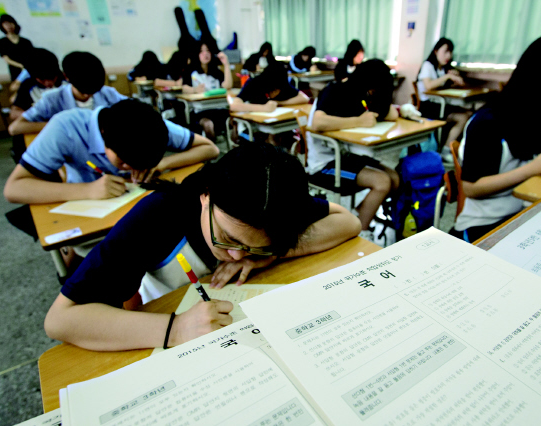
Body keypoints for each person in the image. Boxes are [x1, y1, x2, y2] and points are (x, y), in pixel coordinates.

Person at [43, 143, 361, 351]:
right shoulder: (161, 213)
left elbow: (348, 222)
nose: (237, 255)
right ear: (206, 193)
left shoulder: (275, 204)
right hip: (166, 328)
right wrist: (177, 329)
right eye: (229, 238)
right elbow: (61, 320)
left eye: (256, 247)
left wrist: (272, 256)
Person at [453, 32, 541, 243]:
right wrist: (535, 168)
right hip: (486, 225)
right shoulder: (489, 121)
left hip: (529, 212)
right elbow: (472, 187)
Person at [3, 99, 219, 205]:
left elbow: (210, 148)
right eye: (125, 163)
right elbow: (13, 188)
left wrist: (160, 164)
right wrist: (88, 190)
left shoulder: (147, 124)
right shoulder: (65, 128)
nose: (132, 170)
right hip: (90, 207)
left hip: (135, 204)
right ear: (103, 136)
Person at [308, 59, 400, 241]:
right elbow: (318, 122)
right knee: (382, 182)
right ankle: (359, 231)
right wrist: (358, 121)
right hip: (324, 164)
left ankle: (360, 216)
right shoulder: (334, 91)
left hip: (346, 157)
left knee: (395, 178)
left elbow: (391, 114)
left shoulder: (362, 96)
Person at [9, 51, 127, 136]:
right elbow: (14, 128)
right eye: (83, 92)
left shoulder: (107, 92)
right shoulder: (52, 99)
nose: (87, 96)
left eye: (93, 92)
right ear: (67, 77)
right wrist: (61, 124)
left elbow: (135, 109)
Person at [416, 38, 472, 162]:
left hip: (441, 105)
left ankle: (452, 148)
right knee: (463, 117)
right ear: (436, 51)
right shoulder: (428, 66)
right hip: (429, 107)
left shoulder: (444, 68)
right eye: (445, 51)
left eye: (450, 52)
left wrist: (455, 76)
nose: (448, 55)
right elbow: (429, 86)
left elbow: (460, 84)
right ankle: (446, 150)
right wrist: (447, 76)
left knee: (469, 113)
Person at [182, 38, 233, 140]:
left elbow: (228, 85)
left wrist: (226, 64)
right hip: (201, 111)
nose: (205, 54)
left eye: (208, 51)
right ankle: (211, 149)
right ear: (197, 53)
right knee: (208, 124)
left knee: (235, 120)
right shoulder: (191, 70)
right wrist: (195, 90)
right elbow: (184, 88)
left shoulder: (216, 71)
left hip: (218, 108)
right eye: (202, 51)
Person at [10, 48, 65, 122]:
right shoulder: (28, 85)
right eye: (42, 80)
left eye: (51, 78)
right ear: (34, 77)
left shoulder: (68, 80)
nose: (48, 83)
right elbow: (14, 113)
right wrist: (37, 115)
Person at [230, 63, 309, 113]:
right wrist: (264, 108)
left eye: (277, 90)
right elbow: (234, 106)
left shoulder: (282, 84)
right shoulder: (254, 83)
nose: (274, 93)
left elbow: (305, 98)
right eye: (273, 90)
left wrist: (279, 103)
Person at [0, 14, 34, 81]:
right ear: (2, 26)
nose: (9, 26)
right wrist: (21, 66)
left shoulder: (26, 41)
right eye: (6, 24)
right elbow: (7, 59)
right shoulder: (2, 42)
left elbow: (33, 56)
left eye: (10, 23)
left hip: (29, 69)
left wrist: (27, 67)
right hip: (15, 71)